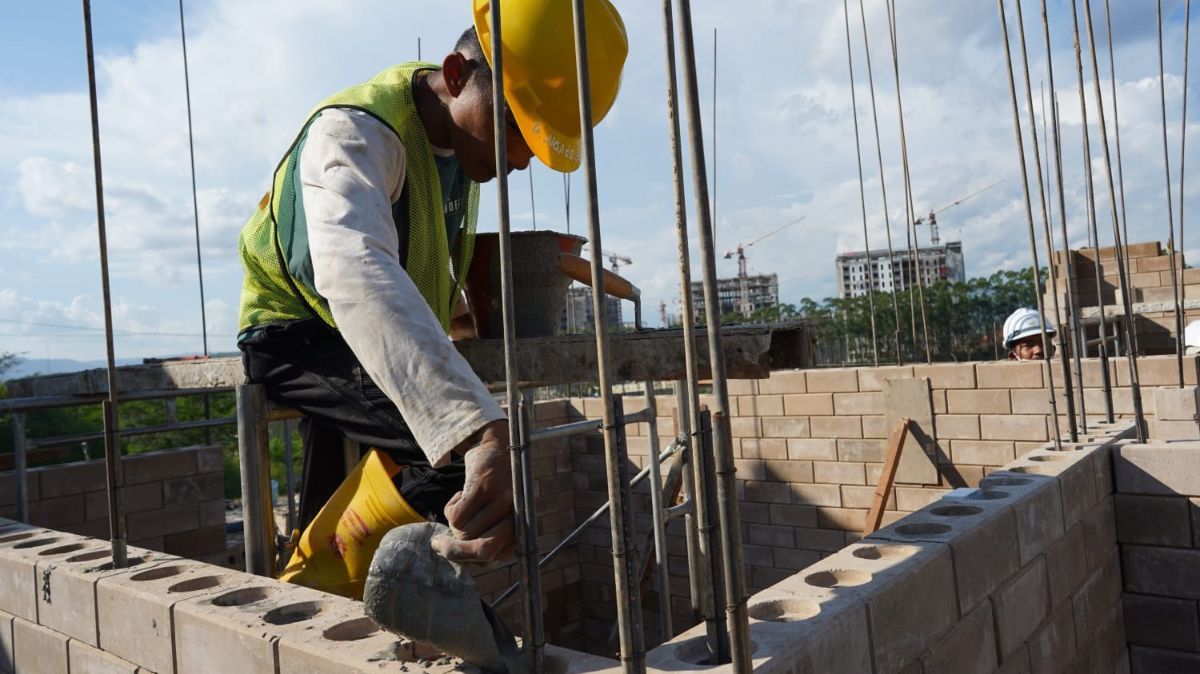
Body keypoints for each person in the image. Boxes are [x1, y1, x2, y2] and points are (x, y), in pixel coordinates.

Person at [235, 0, 627, 566]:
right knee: (458, 470)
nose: (520, 158)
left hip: (360, 340)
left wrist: (455, 328)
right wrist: (476, 430)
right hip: (294, 335)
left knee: (338, 506)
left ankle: (320, 599)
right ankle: (389, 612)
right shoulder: (354, 134)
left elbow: (411, 271)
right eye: (515, 126)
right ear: (455, 74)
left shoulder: (460, 148)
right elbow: (355, 271)